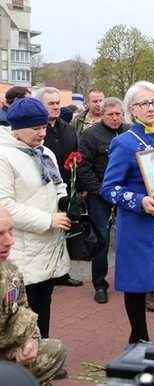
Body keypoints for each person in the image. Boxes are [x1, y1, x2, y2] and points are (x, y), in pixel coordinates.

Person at [101, 81, 154, 344]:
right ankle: (138, 338)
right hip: (139, 225)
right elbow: (108, 188)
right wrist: (139, 201)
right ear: (132, 110)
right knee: (137, 283)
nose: (150, 108)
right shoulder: (124, 143)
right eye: (143, 104)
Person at [0, 98, 71, 339]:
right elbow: (4, 205)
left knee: (44, 301)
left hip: (48, 244)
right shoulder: (3, 156)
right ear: (17, 128)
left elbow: (57, 185)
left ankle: (43, 353)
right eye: (36, 129)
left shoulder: (45, 152)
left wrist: (65, 202)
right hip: (21, 246)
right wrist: (48, 220)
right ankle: (24, 363)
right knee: (21, 309)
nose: (42, 133)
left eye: (44, 127)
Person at [0, 207, 68, 384]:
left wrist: (32, 338)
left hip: (6, 350)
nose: (9, 241)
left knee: (55, 350)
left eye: (10, 231)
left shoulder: (10, 272)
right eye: (0, 234)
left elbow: (22, 309)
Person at [77, 98, 129, 304]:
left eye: (118, 114)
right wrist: (99, 189)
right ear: (103, 115)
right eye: (111, 114)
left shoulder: (129, 131)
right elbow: (83, 166)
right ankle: (100, 284)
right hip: (100, 195)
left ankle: (129, 278)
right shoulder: (90, 135)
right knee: (102, 239)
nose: (115, 118)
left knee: (128, 236)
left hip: (126, 193)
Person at [35, 87, 83, 288]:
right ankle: (45, 274)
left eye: (57, 103)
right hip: (42, 189)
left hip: (66, 186)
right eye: (51, 104)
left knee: (64, 230)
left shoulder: (67, 127)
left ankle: (61, 272)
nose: (56, 107)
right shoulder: (37, 129)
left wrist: (78, 186)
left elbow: (77, 155)